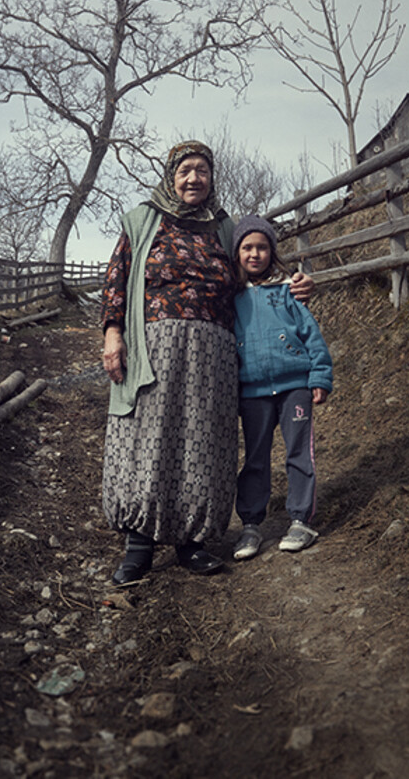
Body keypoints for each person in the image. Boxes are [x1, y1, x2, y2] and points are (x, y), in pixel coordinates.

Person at [99, 142, 312, 585]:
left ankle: (191, 543)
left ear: (212, 178)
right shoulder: (142, 220)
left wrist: (294, 287)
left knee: (202, 442)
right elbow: (117, 280)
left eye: (202, 171)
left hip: (214, 355)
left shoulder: (224, 227)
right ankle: (138, 546)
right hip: (154, 349)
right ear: (170, 176)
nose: (194, 179)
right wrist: (113, 333)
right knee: (149, 440)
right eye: (185, 171)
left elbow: (255, 275)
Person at [228, 215, 333, 561]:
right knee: (255, 458)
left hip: (294, 388)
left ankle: (301, 520)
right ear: (237, 253)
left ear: (271, 252)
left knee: (298, 453)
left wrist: (319, 376)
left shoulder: (289, 291)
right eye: (247, 248)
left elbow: (311, 335)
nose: (254, 254)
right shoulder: (231, 298)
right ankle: (251, 526)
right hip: (253, 392)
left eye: (261, 247)